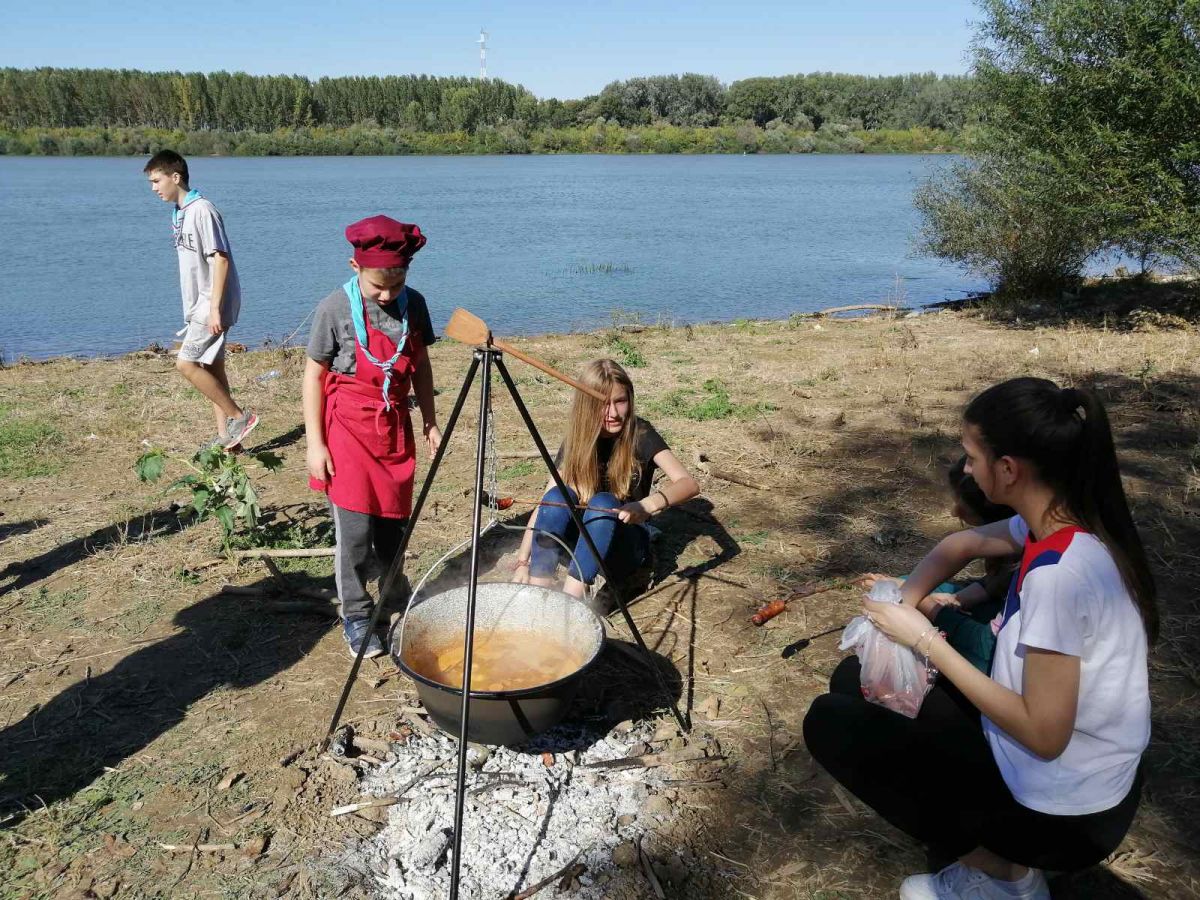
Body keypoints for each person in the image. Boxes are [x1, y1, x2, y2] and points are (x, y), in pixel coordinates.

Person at [803, 377, 1157, 900]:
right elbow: (962, 543)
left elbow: (1044, 734)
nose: (965, 470)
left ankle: (1005, 877)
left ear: (1008, 469)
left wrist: (925, 640)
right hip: (1078, 774)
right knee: (855, 676)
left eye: (971, 456)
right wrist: (907, 601)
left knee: (830, 724)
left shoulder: (1060, 577)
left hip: (1067, 816)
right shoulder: (1063, 521)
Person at [303, 216, 442, 658]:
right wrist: (314, 444)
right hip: (346, 431)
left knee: (393, 526)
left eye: (395, 285)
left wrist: (429, 420)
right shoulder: (333, 310)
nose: (386, 295)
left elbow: (419, 365)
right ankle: (358, 613)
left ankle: (394, 596)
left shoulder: (413, 305)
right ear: (354, 267)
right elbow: (313, 377)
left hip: (393, 429)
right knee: (355, 530)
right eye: (376, 287)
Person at [512, 359, 700, 607]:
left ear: (630, 399)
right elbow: (545, 504)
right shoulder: (578, 439)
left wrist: (647, 505)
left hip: (625, 548)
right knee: (559, 496)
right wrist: (523, 562)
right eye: (602, 404)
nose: (612, 413)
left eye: (620, 401)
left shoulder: (639, 433)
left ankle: (569, 605)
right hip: (582, 546)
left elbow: (688, 483)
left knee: (603, 502)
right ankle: (537, 594)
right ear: (587, 406)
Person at [860, 455, 1018, 673]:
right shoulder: (1020, 542)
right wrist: (957, 598)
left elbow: (985, 652)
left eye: (962, 506)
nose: (954, 512)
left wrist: (926, 608)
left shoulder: (1041, 570)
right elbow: (993, 582)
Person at [144, 150, 258, 449]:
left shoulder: (202, 210)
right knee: (212, 369)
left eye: (157, 180)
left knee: (186, 364)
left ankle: (239, 417)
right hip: (200, 304)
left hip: (211, 305)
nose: (154, 188)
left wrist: (215, 309)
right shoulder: (180, 213)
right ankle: (228, 439)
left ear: (175, 177)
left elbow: (220, 260)